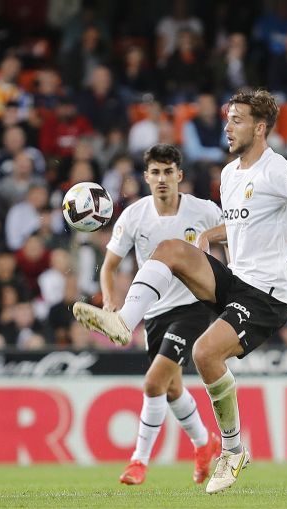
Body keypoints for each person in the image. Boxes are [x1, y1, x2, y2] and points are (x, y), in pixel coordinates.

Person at [73, 90, 287, 494]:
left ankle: (232, 451)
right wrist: (208, 237)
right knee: (170, 249)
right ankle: (123, 320)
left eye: (237, 120)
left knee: (204, 353)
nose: (227, 126)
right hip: (236, 279)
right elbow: (239, 227)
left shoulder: (277, 170)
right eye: (227, 118)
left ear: (260, 127)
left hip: (267, 294)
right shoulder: (232, 174)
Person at [98, 144, 222, 485]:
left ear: (179, 175)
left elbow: (236, 232)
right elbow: (109, 267)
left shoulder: (202, 210)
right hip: (154, 314)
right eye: (155, 172)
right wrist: (110, 302)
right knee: (170, 389)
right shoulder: (134, 216)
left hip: (193, 307)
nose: (162, 178)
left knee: (154, 382)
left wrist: (214, 244)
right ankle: (204, 444)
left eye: (168, 172)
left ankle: (138, 461)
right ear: (146, 177)